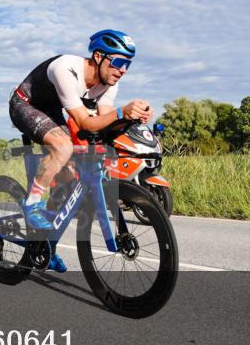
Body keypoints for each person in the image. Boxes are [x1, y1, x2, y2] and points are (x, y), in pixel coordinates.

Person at [8, 29, 153, 272]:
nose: (123, 70)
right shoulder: (66, 68)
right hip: (25, 103)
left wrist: (133, 118)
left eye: (127, 64)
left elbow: (104, 121)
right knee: (63, 147)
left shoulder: (109, 84)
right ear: (98, 56)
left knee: (70, 174)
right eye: (118, 62)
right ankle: (31, 203)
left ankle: (45, 243)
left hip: (52, 111)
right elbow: (85, 122)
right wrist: (121, 112)